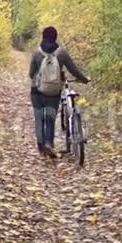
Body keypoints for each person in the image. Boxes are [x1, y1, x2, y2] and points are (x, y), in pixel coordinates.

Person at [29, 26, 90, 158]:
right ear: (55, 37)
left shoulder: (36, 53)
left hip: (36, 91)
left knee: (40, 118)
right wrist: (84, 80)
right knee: (50, 118)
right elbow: (74, 71)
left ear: (43, 37)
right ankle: (49, 144)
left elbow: (30, 74)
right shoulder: (61, 53)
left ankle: (42, 148)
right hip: (53, 91)